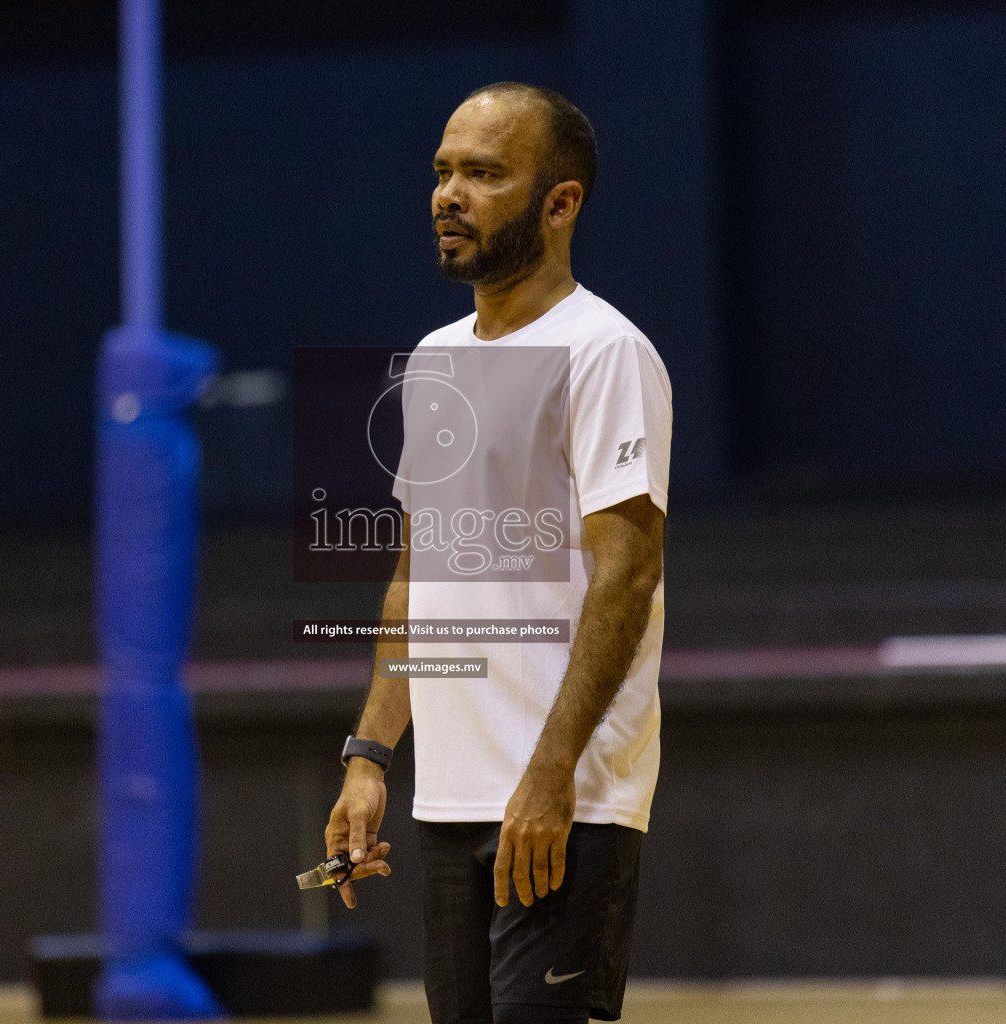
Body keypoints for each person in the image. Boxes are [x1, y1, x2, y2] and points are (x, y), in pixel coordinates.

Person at [324, 81, 672, 1024]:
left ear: (560, 204)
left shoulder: (605, 353)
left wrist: (554, 771)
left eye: (483, 174)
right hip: (450, 801)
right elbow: (418, 579)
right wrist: (369, 757)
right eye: (443, 173)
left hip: (565, 798)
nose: (449, 195)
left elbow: (629, 574)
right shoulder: (436, 359)